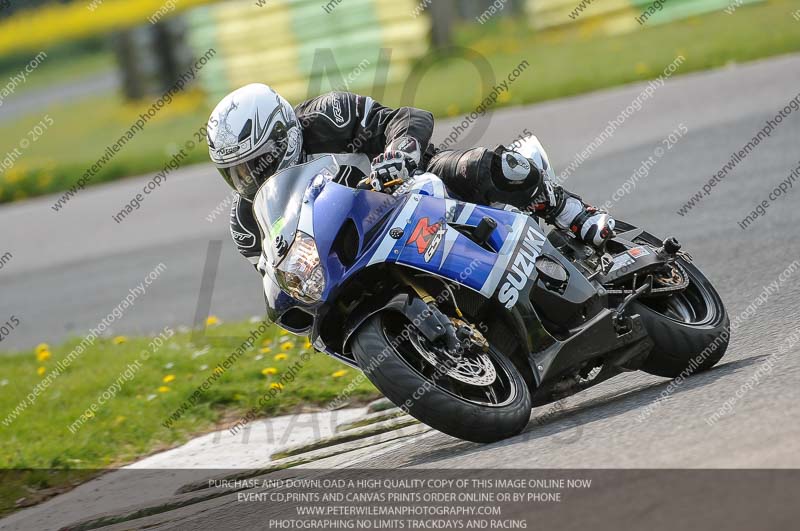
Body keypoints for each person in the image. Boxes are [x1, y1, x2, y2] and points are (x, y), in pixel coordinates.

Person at [206, 83, 615, 270]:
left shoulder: (328, 116)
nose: (251, 176)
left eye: (257, 161)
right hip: (359, 253)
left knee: (493, 165)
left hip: (412, 187)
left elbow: (409, 118)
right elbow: (281, 279)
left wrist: (398, 154)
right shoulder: (248, 224)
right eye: (237, 172)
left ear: (284, 133)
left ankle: (573, 214)